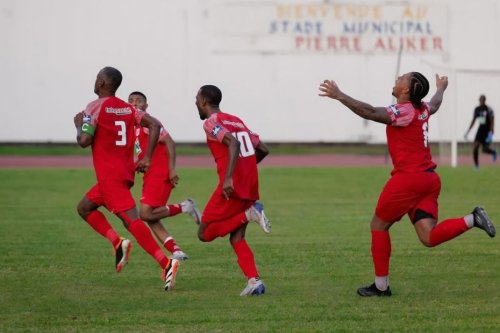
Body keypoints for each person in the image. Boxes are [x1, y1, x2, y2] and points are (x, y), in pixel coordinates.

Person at [319, 72, 496, 297]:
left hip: (408, 180)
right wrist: (441, 88)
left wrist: (339, 95)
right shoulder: (422, 109)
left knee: (378, 225)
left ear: (406, 91)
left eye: (402, 78)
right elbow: (435, 103)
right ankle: (473, 218)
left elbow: (371, 112)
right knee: (428, 237)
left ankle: (381, 287)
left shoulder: (404, 111)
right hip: (429, 180)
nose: (398, 78)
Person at [73, 67, 179, 291]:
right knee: (84, 208)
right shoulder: (127, 109)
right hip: (123, 172)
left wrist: (78, 125)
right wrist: (147, 157)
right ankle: (117, 241)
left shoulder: (93, 107)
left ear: (102, 82)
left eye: (96, 78)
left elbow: (84, 141)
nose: (94, 81)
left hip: (110, 176)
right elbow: (155, 125)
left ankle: (167, 262)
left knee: (132, 221)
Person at [195, 84, 271, 296]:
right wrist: (245, 168)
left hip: (231, 187)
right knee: (237, 238)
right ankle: (254, 281)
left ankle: (249, 214)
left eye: (196, 100)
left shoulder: (212, 122)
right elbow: (263, 149)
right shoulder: (236, 120)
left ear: (203, 101)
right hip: (250, 186)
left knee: (204, 233)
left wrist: (229, 177)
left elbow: (233, 143)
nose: (195, 105)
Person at [128, 91, 201, 261]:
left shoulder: (149, 122)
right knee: (152, 216)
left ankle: (185, 207)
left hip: (159, 172)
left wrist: (171, 169)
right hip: (150, 174)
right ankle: (176, 251)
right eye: (130, 101)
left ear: (146, 106)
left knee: (145, 214)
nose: (134, 103)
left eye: (138, 101)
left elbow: (170, 142)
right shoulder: (135, 126)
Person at [464, 94, 497, 169]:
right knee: (475, 147)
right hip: (480, 130)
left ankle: (494, 152)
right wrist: (468, 132)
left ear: (485, 101)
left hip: (487, 130)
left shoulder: (488, 109)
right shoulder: (477, 109)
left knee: (484, 149)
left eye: (482, 100)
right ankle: (476, 165)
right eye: (480, 100)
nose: (481, 101)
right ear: (479, 100)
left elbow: (492, 121)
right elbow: (473, 121)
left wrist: (491, 133)